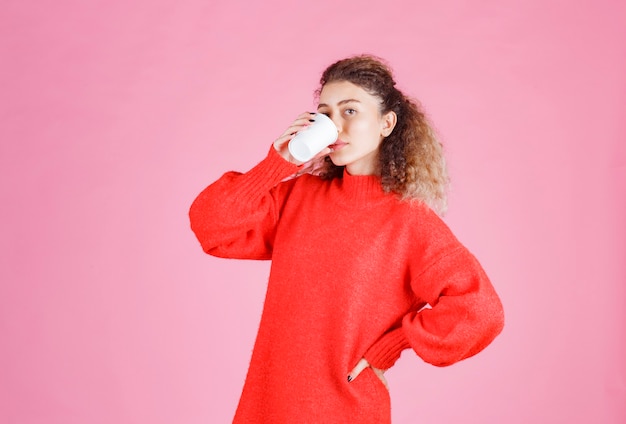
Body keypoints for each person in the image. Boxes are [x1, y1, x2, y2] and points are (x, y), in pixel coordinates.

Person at [189, 55, 504, 423]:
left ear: (386, 123)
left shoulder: (409, 220)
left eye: (350, 111)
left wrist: (394, 344)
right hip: (270, 402)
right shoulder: (298, 197)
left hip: (346, 407)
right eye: (325, 114)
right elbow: (212, 225)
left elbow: (481, 312)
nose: (335, 125)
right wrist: (277, 163)